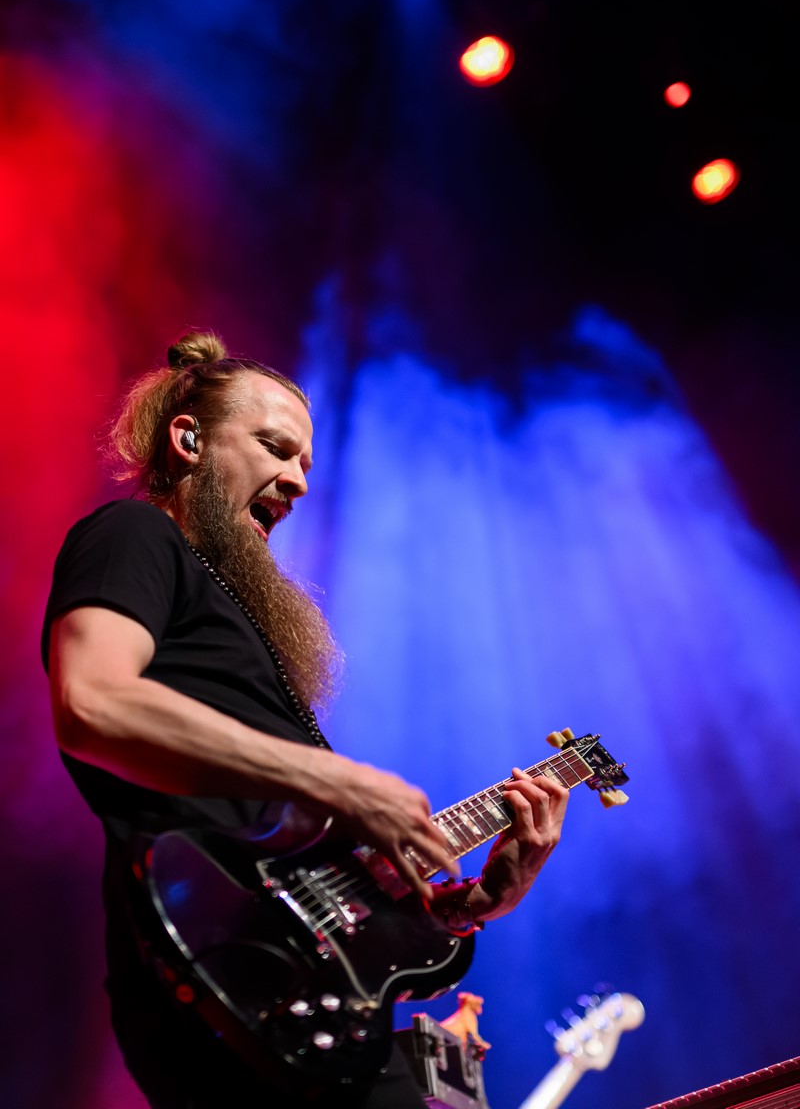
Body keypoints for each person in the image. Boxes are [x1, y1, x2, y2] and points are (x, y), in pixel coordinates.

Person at [43, 330, 570, 1108]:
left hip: (294, 989)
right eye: (274, 448)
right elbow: (93, 701)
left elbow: (303, 876)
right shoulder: (134, 533)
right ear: (188, 440)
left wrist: (468, 907)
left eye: (306, 465)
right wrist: (338, 781)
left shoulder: (231, 614)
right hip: (218, 969)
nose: (295, 481)